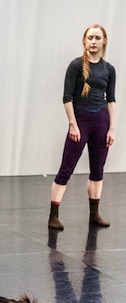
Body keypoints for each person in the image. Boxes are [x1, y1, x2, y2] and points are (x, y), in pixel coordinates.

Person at [48, 24, 116, 230]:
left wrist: (112, 128)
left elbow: (111, 100)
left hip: (101, 122)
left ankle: (94, 214)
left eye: (97, 38)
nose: (93, 41)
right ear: (84, 41)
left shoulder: (109, 69)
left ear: (104, 41)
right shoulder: (76, 65)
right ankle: (53, 215)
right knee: (66, 169)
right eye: (90, 38)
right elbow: (67, 97)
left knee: (98, 169)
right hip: (81, 122)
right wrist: (73, 125)